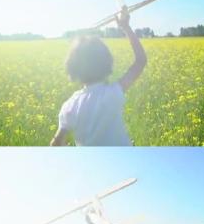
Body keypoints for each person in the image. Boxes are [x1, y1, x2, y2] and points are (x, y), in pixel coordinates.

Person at [50, 8, 147, 146]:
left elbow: (56, 144)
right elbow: (140, 61)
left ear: (73, 68)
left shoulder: (70, 106)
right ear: (107, 62)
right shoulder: (113, 93)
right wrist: (126, 27)